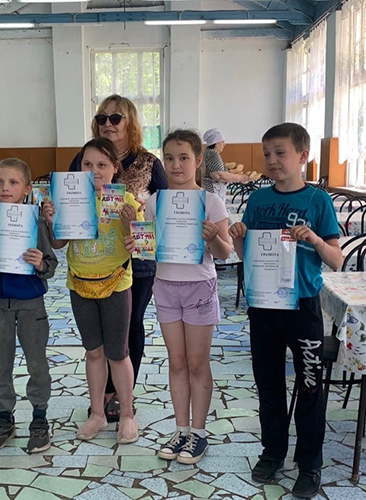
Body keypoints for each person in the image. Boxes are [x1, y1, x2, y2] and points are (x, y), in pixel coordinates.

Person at [228, 123, 343, 499]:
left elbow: (337, 260)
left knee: (309, 386)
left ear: (302, 156)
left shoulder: (317, 200)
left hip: (302, 306)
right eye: (267, 154)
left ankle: (310, 463)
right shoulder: (258, 200)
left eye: (280, 152)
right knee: (268, 385)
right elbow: (247, 257)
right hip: (264, 307)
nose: (272, 160)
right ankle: (272, 452)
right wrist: (239, 237)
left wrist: (314, 239)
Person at [126, 129, 230, 464]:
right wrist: (135, 241)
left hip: (199, 286)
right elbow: (149, 248)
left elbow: (225, 252)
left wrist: (212, 237)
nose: (175, 165)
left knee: (198, 363)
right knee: (177, 362)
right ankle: (181, 429)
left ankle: (199, 432)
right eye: (169, 158)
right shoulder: (156, 202)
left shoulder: (211, 202)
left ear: (198, 160)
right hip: (166, 286)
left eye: (184, 158)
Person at [70, 94, 168, 421]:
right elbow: (69, 199)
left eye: (116, 118)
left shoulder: (148, 162)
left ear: (131, 123)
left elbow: (166, 208)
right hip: (94, 259)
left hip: (137, 259)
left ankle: (124, 397)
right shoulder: (83, 157)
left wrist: (141, 216)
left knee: (130, 326)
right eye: (102, 118)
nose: (108, 124)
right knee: (99, 338)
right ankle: (104, 394)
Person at [44, 138, 141, 443]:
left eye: (102, 165)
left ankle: (127, 414)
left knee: (118, 353)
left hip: (115, 284)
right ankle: (97, 413)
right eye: (88, 164)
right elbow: (58, 244)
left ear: (115, 168)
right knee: (93, 352)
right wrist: (52, 221)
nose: (95, 171)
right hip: (80, 284)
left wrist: (130, 222)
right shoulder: (69, 198)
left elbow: (139, 246)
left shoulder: (126, 200)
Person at [0, 158, 58, 453]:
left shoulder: (36, 222)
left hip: (30, 304)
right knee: (0, 364)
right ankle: (4, 418)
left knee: (37, 363)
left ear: (27, 189)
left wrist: (40, 262)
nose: (5, 188)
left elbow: (51, 264)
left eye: (13, 182)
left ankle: (39, 418)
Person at [202, 128, 249, 202]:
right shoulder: (212, 154)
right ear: (216, 143)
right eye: (222, 141)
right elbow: (218, 175)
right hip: (211, 192)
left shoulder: (207, 153)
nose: (224, 144)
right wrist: (240, 178)